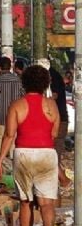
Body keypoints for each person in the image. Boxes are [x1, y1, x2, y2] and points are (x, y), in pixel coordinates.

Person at [0, 65, 60, 226]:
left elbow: (9, 135)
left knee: (25, 202)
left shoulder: (17, 105)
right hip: (47, 154)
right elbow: (54, 133)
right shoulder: (51, 105)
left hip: (23, 154)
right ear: (46, 83)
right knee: (47, 203)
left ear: (24, 83)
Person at [0, 57, 24, 159]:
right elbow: (24, 98)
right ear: (11, 66)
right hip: (15, 116)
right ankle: (12, 159)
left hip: (0, 115)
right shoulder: (18, 81)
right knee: (13, 137)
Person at [46, 62, 72, 190]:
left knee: (52, 154)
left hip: (58, 121)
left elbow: (54, 96)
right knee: (52, 154)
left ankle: (63, 180)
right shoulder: (53, 76)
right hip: (58, 120)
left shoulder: (53, 77)